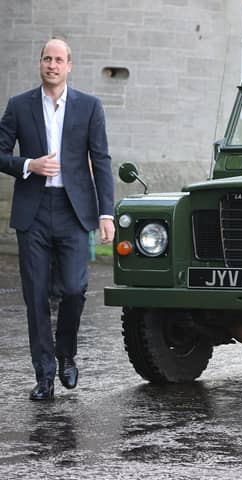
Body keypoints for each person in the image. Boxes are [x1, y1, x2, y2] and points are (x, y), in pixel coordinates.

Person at [0, 38, 115, 401]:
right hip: (32, 211)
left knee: (74, 289)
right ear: (40, 64)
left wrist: (106, 212)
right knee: (35, 296)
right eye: (46, 58)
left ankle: (66, 353)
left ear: (69, 66)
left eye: (59, 59)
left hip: (73, 210)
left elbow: (101, 160)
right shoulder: (19, 106)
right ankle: (45, 375)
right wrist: (28, 166)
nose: (52, 64)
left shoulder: (89, 106)